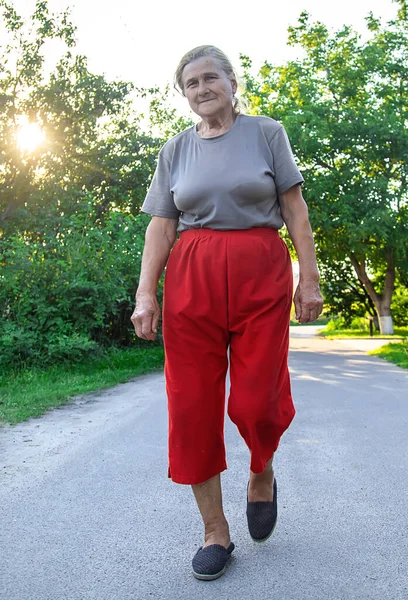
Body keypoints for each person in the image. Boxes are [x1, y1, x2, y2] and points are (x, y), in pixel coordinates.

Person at [131, 45, 323, 581]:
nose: (201, 88)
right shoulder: (174, 150)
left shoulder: (266, 132)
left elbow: (295, 208)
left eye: (210, 77)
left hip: (259, 267)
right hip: (191, 276)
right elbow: (160, 229)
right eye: (190, 83)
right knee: (191, 405)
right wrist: (147, 294)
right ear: (184, 94)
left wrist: (309, 278)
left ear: (232, 82)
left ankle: (261, 472)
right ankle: (215, 531)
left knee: (258, 397)